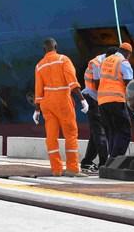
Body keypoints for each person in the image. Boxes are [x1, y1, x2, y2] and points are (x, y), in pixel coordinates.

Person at [33, 37, 88, 177]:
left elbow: (38, 90)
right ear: (56, 46)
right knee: (70, 134)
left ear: (44, 49)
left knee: (51, 137)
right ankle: (73, 169)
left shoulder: (39, 65)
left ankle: (56, 169)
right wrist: (82, 100)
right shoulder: (63, 60)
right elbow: (72, 82)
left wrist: (37, 110)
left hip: (47, 103)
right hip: (62, 101)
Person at [79, 47, 118, 173]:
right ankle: (104, 163)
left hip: (100, 98)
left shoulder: (106, 61)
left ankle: (87, 162)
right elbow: (97, 84)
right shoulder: (97, 63)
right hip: (93, 99)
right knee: (100, 132)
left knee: (96, 133)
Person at [96, 41, 134, 159]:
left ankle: (111, 158)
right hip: (116, 100)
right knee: (124, 131)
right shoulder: (123, 62)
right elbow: (130, 84)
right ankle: (116, 159)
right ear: (128, 54)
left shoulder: (105, 61)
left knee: (112, 131)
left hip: (102, 101)